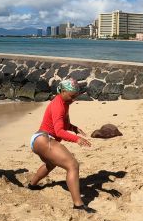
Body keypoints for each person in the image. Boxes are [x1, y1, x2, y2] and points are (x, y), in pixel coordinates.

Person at [28, 78, 94, 212]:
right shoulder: (58, 104)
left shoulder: (64, 102)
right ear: (63, 92)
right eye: (71, 96)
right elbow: (59, 131)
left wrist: (74, 128)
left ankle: (32, 185)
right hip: (43, 138)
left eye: (75, 96)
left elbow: (61, 124)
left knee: (51, 164)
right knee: (72, 165)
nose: (73, 99)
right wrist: (76, 139)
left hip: (40, 139)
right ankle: (78, 204)